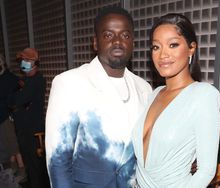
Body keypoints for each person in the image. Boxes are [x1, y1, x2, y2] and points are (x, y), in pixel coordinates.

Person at [45, 6, 152, 188]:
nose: (117, 42)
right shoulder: (69, 83)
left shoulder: (144, 88)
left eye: (125, 35)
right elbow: (58, 160)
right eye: (108, 35)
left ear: (133, 42)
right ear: (95, 43)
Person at [132, 13, 220, 187]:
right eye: (156, 47)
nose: (163, 54)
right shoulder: (153, 94)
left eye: (173, 45)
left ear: (191, 48)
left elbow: (206, 171)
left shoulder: (204, 95)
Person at [9, 48, 49, 188]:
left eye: (26, 60)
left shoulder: (36, 80)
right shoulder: (25, 80)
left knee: (35, 163)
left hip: (33, 129)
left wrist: (16, 99)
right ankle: (32, 182)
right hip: (23, 128)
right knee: (28, 160)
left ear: (34, 63)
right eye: (22, 60)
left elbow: (16, 100)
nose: (23, 63)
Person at [0, 54, 23, 188]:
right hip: (3, 115)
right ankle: (13, 168)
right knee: (8, 145)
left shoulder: (8, 78)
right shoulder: (5, 77)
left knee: (12, 144)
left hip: (6, 116)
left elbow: (14, 96)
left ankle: (20, 169)